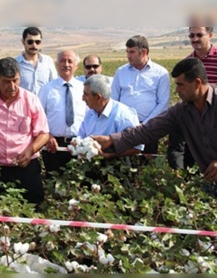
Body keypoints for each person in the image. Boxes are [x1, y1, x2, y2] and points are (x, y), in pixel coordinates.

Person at [92, 58, 217, 190]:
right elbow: (148, 130)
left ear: (197, 83)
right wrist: (111, 139)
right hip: (210, 182)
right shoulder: (181, 111)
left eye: (181, 85)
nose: (177, 91)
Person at [0, 57, 49, 206]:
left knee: (32, 210)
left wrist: (31, 150)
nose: (12, 86)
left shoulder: (31, 100)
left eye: (15, 80)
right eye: (6, 81)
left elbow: (44, 133)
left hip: (27, 168)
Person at [111, 35, 170, 154]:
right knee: (123, 161)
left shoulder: (160, 73)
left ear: (143, 52)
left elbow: (163, 103)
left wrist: (145, 125)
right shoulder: (121, 72)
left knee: (146, 162)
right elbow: (113, 100)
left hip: (149, 128)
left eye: (132, 52)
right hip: (124, 127)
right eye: (127, 52)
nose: (128, 56)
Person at [168, 26, 216, 170]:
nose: (194, 39)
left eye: (199, 35)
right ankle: (185, 180)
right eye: (191, 35)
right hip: (193, 115)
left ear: (211, 35)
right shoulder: (187, 62)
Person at [38, 50, 88, 176]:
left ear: (76, 66)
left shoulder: (84, 89)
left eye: (70, 61)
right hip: (54, 146)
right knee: (54, 183)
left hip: (79, 144)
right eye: (62, 61)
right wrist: (47, 137)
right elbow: (38, 117)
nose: (66, 64)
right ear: (57, 65)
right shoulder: (47, 89)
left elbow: (91, 116)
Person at [77, 75, 143, 157]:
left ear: (98, 97)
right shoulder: (90, 113)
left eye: (86, 94)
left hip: (118, 167)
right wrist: (77, 143)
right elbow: (81, 136)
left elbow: (137, 147)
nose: (83, 98)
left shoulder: (123, 115)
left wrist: (109, 155)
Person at [15, 27, 58, 95]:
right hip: (24, 104)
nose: (34, 45)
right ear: (23, 42)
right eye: (30, 42)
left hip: (44, 105)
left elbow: (54, 85)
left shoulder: (48, 61)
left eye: (37, 42)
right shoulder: (15, 63)